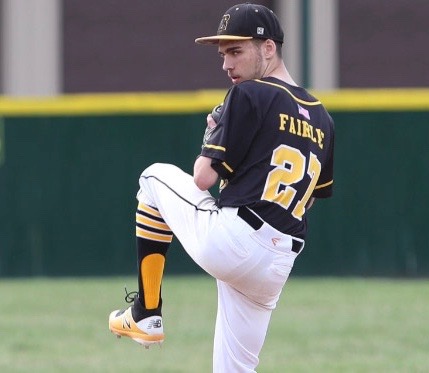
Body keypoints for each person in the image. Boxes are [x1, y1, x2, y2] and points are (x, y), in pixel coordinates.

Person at [108, 3, 335, 372]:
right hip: (279, 262)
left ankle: (146, 311)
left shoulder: (250, 93)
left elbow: (202, 179)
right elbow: (309, 200)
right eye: (223, 54)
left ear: (268, 48)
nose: (226, 64)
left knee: (152, 179)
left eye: (235, 51)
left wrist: (212, 134)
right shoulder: (322, 116)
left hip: (235, 239)